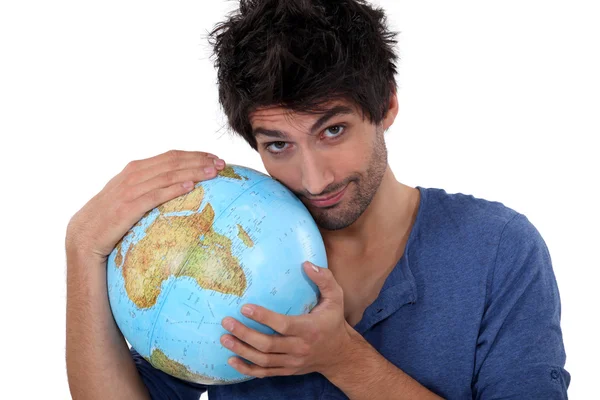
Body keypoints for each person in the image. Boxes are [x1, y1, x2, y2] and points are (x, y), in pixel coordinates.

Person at [65, 0, 570, 399]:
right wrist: (83, 249)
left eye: (332, 130)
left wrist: (344, 360)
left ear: (387, 103)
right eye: (278, 145)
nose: (312, 179)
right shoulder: (226, 241)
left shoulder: (498, 248)